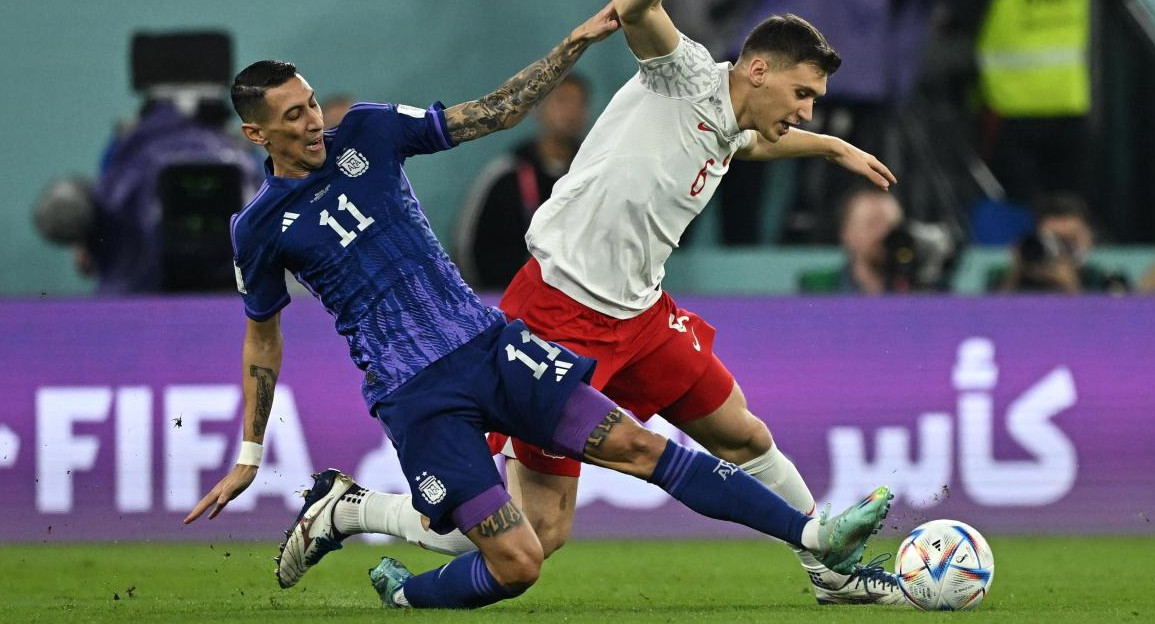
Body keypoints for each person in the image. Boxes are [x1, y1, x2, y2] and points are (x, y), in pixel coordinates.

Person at [180, 4, 893, 611]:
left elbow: (731, 139)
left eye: (312, 104)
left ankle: (821, 562)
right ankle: (357, 512)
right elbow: (261, 336)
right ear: (256, 134)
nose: (315, 121)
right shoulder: (679, 72)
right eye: (803, 95)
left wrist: (827, 146)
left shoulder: (364, 132)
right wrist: (249, 452)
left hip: (624, 316)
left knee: (734, 433)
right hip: (547, 314)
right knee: (525, 537)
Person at [456, 74, 591, 289]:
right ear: (539, 108)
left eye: (579, 103)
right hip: (507, 307)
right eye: (562, 100)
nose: (570, 112)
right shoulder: (504, 176)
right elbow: (468, 248)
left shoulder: (593, 177)